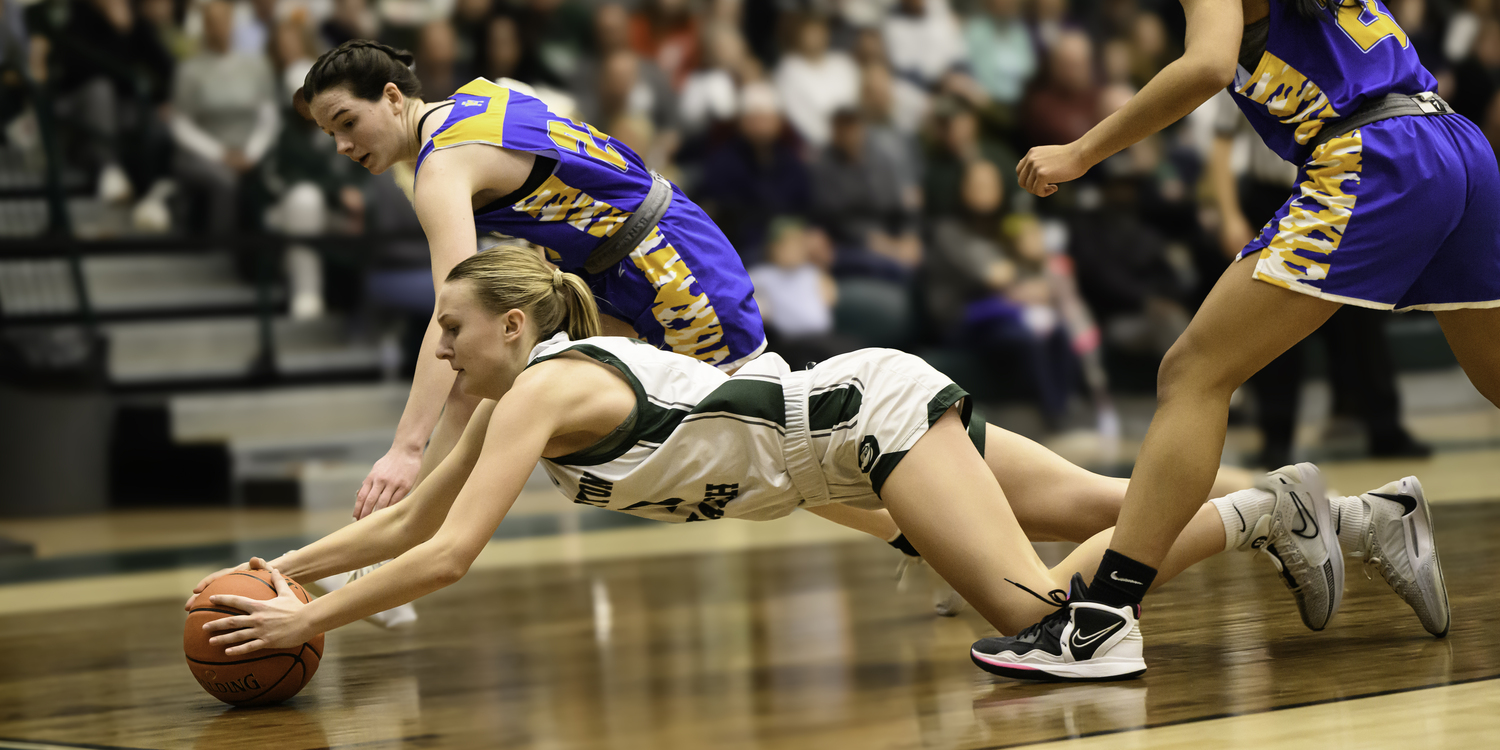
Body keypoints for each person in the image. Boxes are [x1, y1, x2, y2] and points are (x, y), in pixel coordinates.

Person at [185, 248, 1447, 683]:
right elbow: (398, 532)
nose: (442, 350)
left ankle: (1275, 509)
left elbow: (445, 558)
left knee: (1052, 622)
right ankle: (1363, 515)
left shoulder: (555, 384)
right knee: (1124, 505)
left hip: (861, 428)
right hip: (846, 442)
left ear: (514, 327)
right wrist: (280, 573)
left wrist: (315, 626)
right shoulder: (513, 397)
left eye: (452, 331)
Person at [978, 0, 1484, 680]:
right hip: (1455, 144)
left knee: (1191, 375)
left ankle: (1103, 621)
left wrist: (1080, 150)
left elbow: (1208, 65)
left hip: (1375, 156)